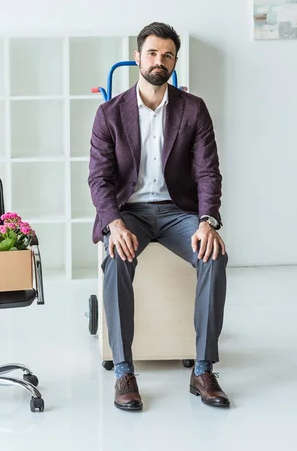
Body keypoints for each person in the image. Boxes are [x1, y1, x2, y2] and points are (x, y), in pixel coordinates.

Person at [88, 22, 229, 411]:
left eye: (167, 55)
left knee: (214, 256)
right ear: (138, 57)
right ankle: (123, 371)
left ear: (174, 61)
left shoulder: (193, 109)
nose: (159, 61)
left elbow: (207, 172)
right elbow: (99, 177)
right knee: (115, 259)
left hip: (177, 212)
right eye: (152, 53)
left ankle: (202, 369)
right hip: (128, 213)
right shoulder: (109, 113)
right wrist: (113, 223)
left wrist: (207, 221)